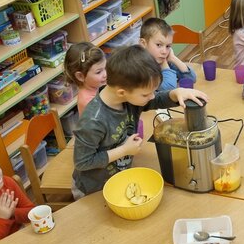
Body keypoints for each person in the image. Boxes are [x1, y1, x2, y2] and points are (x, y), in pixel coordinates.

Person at [72, 45, 208, 199]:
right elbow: (82, 162)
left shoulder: (129, 96)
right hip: (94, 190)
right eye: (146, 94)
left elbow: (155, 99)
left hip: (120, 178)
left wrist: (176, 93)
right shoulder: (93, 120)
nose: (151, 97)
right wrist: (123, 150)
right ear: (122, 92)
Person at [0, 147, 34, 244]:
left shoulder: (7, 183)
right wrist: (2, 218)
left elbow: (32, 212)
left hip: (22, 240)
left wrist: (12, 212)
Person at [139, 17, 196, 91]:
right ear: (143, 43)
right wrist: (164, 64)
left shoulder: (160, 59)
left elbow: (191, 79)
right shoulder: (140, 68)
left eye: (168, 46)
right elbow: (168, 88)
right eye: (159, 45)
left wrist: (173, 58)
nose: (164, 51)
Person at [63, 42, 107, 116]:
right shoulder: (88, 102)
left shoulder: (94, 86)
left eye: (105, 68)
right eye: (99, 72)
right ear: (80, 76)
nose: (105, 74)